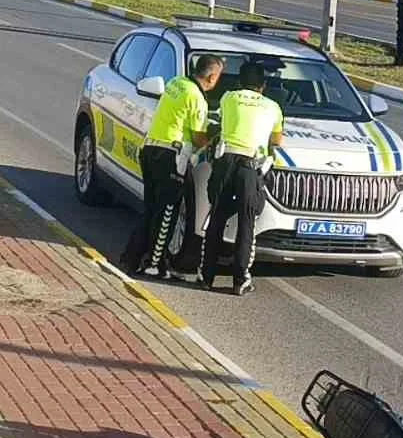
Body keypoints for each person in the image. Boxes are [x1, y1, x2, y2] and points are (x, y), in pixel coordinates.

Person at [120, 53, 223, 278]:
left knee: (151, 209)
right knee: (166, 212)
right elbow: (197, 139)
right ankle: (154, 264)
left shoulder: (176, 83)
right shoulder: (197, 98)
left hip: (150, 149)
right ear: (213, 77)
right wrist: (214, 134)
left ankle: (130, 259)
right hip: (171, 155)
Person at [200, 61, 283, 296]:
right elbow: (277, 141)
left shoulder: (228, 97)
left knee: (216, 217)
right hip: (250, 165)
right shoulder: (273, 106)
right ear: (263, 86)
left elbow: (224, 122)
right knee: (247, 224)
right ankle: (240, 280)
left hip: (226, 163)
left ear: (239, 82)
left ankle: (206, 276)